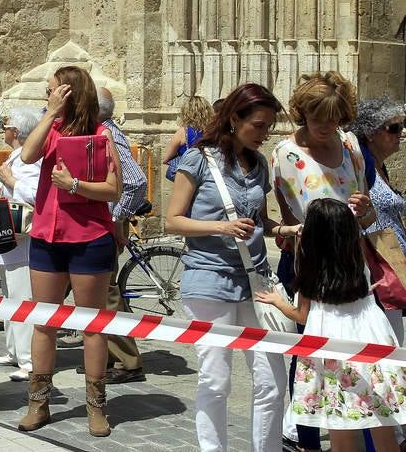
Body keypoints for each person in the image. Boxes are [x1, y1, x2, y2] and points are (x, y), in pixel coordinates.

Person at [165, 83, 298, 452]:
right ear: (234, 119)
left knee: (271, 382)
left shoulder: (259, 164)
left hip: (256, 281)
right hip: (209, 280)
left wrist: (285, 230)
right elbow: (172, 221)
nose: (264, 133)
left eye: (269, 126)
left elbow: (260, 221)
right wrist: (220, 227)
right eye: (258, 125)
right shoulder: (197, 159)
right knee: (216, 380)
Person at [17, 66, 122, 438]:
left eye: (52, 91)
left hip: (89, 237)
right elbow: (27, 156)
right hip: (48, 236)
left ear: (70, 93)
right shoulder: (51, 129)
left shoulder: (101, 133)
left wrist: (75, 185)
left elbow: (114, 189)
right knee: (44, 321)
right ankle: (38, 403)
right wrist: (49, 114)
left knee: (92, 324)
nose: (47, 96)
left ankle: (96, 407)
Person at [272, 71, 374, 452]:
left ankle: (363, 430)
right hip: (312, 267)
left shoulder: (350, 145)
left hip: (353, 266)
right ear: (303, 113)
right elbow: (286, 218)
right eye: (318, 118)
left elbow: (367, 216)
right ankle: (307, 439)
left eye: (333, 118)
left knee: (361, 352)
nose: (326, 126)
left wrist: (366, 210)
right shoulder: (285, 155)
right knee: (310, 356)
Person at [257, 198, 406, 452]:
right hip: (371, 335)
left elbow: (301, 315)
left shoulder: (310, 266)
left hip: (329, 342)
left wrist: (278, 302)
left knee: (339, 420)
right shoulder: (358, 253)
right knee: (382, 418)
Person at [95, 87, 148, 384]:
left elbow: (136, 182)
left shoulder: (108, 134)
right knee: (97, 293)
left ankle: (127, 361)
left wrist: (115, 217)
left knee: (106, 293)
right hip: (97, 225)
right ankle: (103, 355)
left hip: (105, 226)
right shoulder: (104, 130)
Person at [347, 96, 406, 343]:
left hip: (391, 264)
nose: (401, 133)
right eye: (394, 128)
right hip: (377, 268)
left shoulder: (379, 167)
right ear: (371, 133)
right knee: (389, 344)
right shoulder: (362, 168)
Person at [0, 106, 43, 382]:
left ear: (16, 131)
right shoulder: (16, 155)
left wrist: (11, 181)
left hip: (23, 240)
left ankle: (28, 358)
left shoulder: (31, 159)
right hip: (9, 238)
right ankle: (14, 350)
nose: (4, 130)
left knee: (23, 297)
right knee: (10, 295)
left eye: (7, 125)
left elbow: (34, 195)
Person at [163, 95, 213, 180]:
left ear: (186, 113)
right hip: (209, 175)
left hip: (189, 176)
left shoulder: (183, 132)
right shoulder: (213, 131)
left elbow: (166, 159)